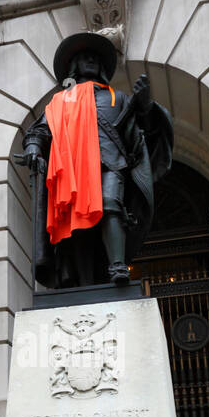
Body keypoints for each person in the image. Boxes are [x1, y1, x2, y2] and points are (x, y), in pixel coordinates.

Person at [22, 31, 173, 288]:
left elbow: (141, 133)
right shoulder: (61, 100)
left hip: (111, 163)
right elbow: (40, 130)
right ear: (74, 66)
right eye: (84, 57)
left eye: (94, 57)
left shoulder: (119, 98)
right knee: (78, 226)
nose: (90, 60)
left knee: (110, 204)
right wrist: (33, 148)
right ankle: (84, 282)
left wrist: (146, 106)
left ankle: (117, 267)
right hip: (74, 170)